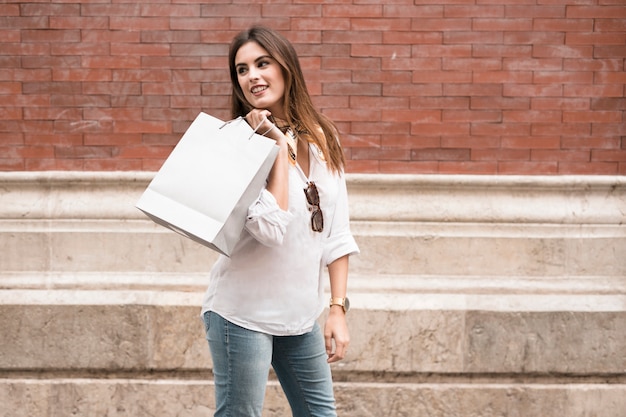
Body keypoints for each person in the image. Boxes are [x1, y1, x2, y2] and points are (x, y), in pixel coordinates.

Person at [200, 26, 360, 417]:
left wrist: (336, 309)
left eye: (262, 63)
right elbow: (271, 230)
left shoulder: (323, 138)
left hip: (300, 315)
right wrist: (275, 151)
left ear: (286, 68)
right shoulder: (237, 144)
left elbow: (336, 232)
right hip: (243, 314)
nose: (252, 75)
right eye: (242, 69)